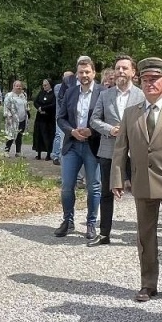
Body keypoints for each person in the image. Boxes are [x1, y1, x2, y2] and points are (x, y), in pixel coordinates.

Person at [112, 58, 162, 302]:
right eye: (145, 79)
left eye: (154, 79)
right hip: (142, 183)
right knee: (144, 236)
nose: (149, 83)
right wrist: (117, 179)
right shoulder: (130, 114)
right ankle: (148, 284)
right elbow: (120, 150)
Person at [93, 55, 144, 246]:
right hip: (109, 150)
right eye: (117, 68)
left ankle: (142, 235)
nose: (120, 71)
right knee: (106, 193)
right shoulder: (105, 95)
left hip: (135, 152)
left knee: (140, 193)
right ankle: (104, 234)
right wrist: (109, 129)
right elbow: (94, 120)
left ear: (133, 72)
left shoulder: (142, 95)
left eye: (124, 68)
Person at [55, 56, 104, 241]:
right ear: (77, 74)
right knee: (67, 186)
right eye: (81, 72)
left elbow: (106, 120)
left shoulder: (103, 92)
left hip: (93, 145)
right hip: (73, 144)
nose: (84, 75)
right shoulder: (70, 92)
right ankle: (68, 220)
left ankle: (91, 223)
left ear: (94, 73)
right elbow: (61, 118)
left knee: (93, 187)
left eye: (87, 72)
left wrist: (92, 131)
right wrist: (71, 131)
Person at [1, 79, 30, 155]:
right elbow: (6, 108)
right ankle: (6, 151)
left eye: (20, 86)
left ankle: (18, 152)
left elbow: (26, 105)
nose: (19, 87)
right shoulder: (9, 95)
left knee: (19, 135)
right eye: (17, 86)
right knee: (11, 135)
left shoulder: (23, 95)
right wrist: (9, 117)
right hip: (12, 119)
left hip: (22, 119)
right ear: (13, 86)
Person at [51, 70, 74, 160]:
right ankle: (56, 155)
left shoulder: (75, 87)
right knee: (59, 135)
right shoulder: (58, 87)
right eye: (66, 77)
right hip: (60, 116)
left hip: (70, 117)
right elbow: (62, 99)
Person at [32, 79, 58, 159]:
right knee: (39, 135)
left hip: (49, 118)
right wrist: (39, 108)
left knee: (48, 136)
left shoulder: (53, 94)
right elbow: (35, 102)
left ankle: (48, 154)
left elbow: (53, 104)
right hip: (40, 118)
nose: (44, 87)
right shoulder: (41, 92)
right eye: (43, 85)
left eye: (45, 85)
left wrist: (43, 108)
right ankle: (38, 153)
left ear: (50, 85)